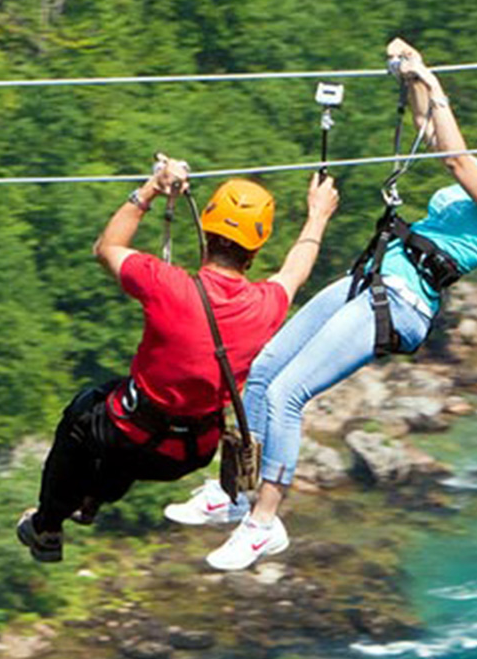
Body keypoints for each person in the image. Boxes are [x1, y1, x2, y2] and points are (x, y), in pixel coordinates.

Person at [167, 38, 477, 570]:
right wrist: (412, 75)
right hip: (370, 275)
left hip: (402, 301)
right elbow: (429, 128)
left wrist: (434, 81)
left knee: (287, 394)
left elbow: (457, 161)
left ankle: (264, 524)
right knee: (261, 372)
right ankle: (235, 494)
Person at [17, 156, 340, 563]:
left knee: (86, 415)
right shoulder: (266, 305)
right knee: (125, 442)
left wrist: (151, 188)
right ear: (255, 250)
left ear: (205, 231)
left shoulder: (165, 284)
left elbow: (106, 248)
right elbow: (295, 271)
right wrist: (318, 215)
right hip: (188, 453)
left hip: (128, 430)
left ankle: (48, 527)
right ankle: (89, 497)